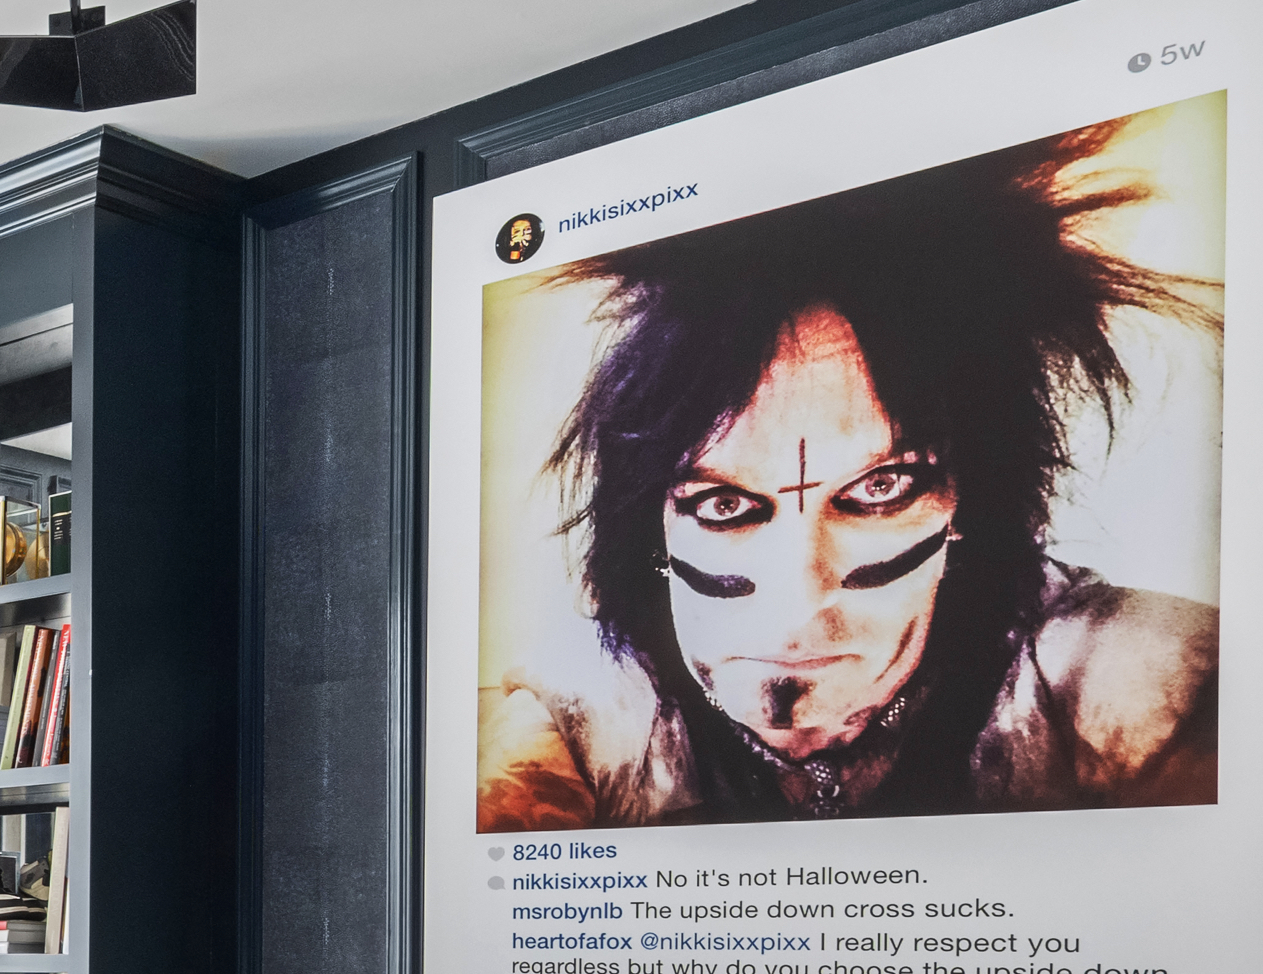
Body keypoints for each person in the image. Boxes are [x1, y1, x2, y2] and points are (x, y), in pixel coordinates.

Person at [478, 119, 1219, 828]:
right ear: (650, 528)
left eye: (878, 489)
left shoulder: (1113, 680)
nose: (798, 609)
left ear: (971, 503)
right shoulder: (592, 714)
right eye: (723, 504)